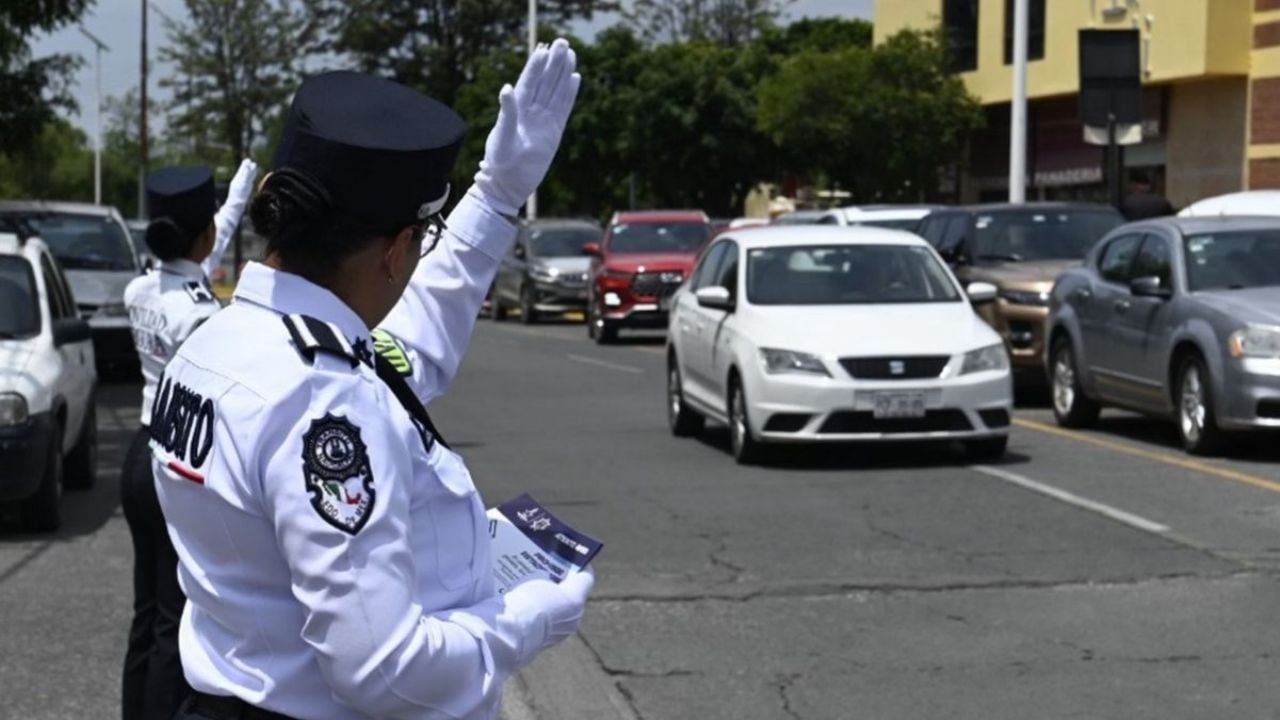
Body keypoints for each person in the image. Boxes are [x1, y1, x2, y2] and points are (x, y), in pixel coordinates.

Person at [156, 39, 594, 720]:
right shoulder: (323, 397)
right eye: (422, 239)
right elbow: (385, 671)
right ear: (396, 251)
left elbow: (407, 342)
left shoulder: (217, 342)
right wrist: (527, 620)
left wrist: (496, 194)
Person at [120, 159, 258, 720]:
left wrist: (243, 181)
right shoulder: (202, 312)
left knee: (145, 611)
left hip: (137, 452)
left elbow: (201, 247)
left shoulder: (140, 289)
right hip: (177, 462)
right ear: (203, 238)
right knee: (173, 621)